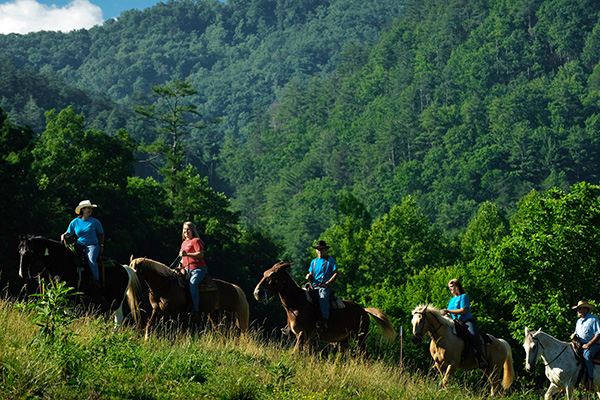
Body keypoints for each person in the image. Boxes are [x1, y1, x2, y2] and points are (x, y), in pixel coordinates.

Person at [441, 278, 488, 369]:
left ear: (457, 286)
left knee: (473, 335)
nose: (450, 289)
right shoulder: (451, 300)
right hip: (455, 323)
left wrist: (448, 310)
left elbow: (463, 310)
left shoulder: (463, 297)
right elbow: (449, 313)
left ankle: (480, 357)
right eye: (449, 287)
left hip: (467, 321)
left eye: (452, 286)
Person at [60, 200, 105, 291]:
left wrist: (101, 245)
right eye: (88, 208)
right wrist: (64, 235)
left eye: (90, 208)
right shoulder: (75, 222)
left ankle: (95, 281)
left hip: (92, 245)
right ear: (83, 210)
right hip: (79, 245)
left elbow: (101, 234)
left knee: (91, 259)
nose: (90, 210)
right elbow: (69, 233)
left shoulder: (95, 222)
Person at [305, 240, 339, 330]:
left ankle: (324, 319)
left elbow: (336, 273)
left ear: (325, 250)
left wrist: (327, 283)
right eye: (318, 249)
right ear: (316, 251)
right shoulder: (313, 262)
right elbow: (310, 272)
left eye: (322, 249)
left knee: (322, 297)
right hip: (313, 286)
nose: (320, 251)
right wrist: (308, 275)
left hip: (324, 287)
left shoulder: (330, 261)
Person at [178, 221, 207, 315]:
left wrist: (187, 254)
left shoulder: (196, 241)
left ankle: (196, 308)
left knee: (193, 283)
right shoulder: (184, 243)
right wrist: (180, 264)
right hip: (186, 269)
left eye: (188, 229)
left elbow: (200, 254)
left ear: (192, 230)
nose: (186, 231)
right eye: (184, 229)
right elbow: (183, 258)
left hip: (198, 269)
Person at [570, 300, 600, 388]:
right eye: (578, 309)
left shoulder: (593, 319)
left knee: (587, 354)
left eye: (580, 308)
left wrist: (588, 344)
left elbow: (598, 334)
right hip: (580, 344)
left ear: (586, 309)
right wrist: (573, 336)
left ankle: (590, 379)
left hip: (594, 345)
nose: (578, 311)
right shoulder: (578, 321)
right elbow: (576, 333)